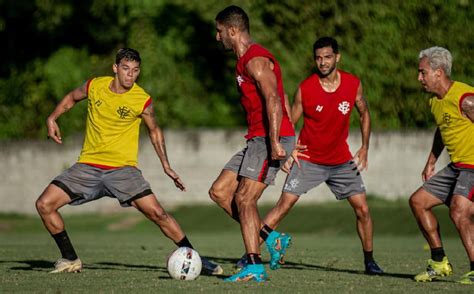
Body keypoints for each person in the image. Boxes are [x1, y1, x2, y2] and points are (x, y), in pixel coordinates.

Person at [35, 48, 222, 275]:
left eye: (135, 71)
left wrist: (166, 165)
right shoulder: (95, 85)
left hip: (123, 171)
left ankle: (195, 259)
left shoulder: (141, 99)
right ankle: (70, 258)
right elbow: (72, 98)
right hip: (87, 166)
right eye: (125, 69)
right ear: (115, 68)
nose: (130, 75)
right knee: (44, 204)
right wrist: (52, 118)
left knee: (159, 214)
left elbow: (155, 131)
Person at [261, 36, 384, 275]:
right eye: (318, 58)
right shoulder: (306, 89)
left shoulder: (353, 84)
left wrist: (365, 146)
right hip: (308, 160)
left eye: (327, 57)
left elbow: (365, 112)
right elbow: (289, 123)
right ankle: (251, 255)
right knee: (284, 204)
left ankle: (370, 261)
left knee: (363, 210)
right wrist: (287, 151)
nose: (323, 62)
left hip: (341, 161)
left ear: (337, 57)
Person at [210, 5, 295, 282]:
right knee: (221, 192)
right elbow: (282, 97)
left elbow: (273, 98)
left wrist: (278, 142)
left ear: (232, 30)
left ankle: (254, 265)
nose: (217, 36)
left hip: (267, 139)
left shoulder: (255, 59)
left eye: (219, 31)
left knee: (245, 198)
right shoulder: (243, 60)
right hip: (258, 138)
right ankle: (272, 238)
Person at [409, 46, 474, 284]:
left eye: (422, 72)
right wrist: (431, 162)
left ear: (438, 72)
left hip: (473, 166)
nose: (419, 78)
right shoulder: (435, 102)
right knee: (418, 202)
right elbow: (442, 131)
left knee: (458, 211)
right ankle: (439, 262)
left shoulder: (465, 98)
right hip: (457, 167)